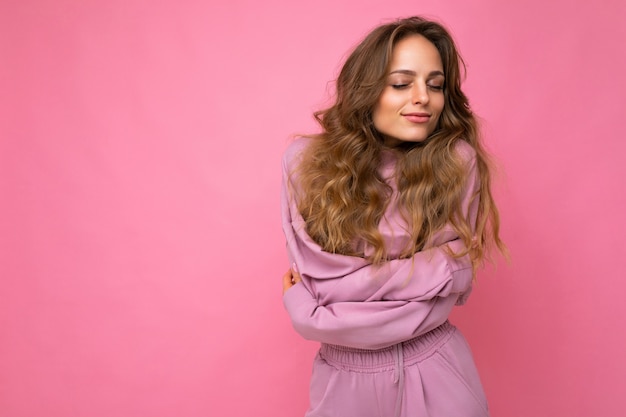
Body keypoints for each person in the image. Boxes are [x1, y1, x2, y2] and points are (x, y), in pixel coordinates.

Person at [280, 16, 506, 417]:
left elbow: (447, 288)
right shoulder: (304, 164)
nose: (423, 97)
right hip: (343, 383)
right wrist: (428, 270)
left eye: (435, 85)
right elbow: (321, 287)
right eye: (402, 83)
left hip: (439, 369)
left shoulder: (456, 164)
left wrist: (314, 306)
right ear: (366, 90)